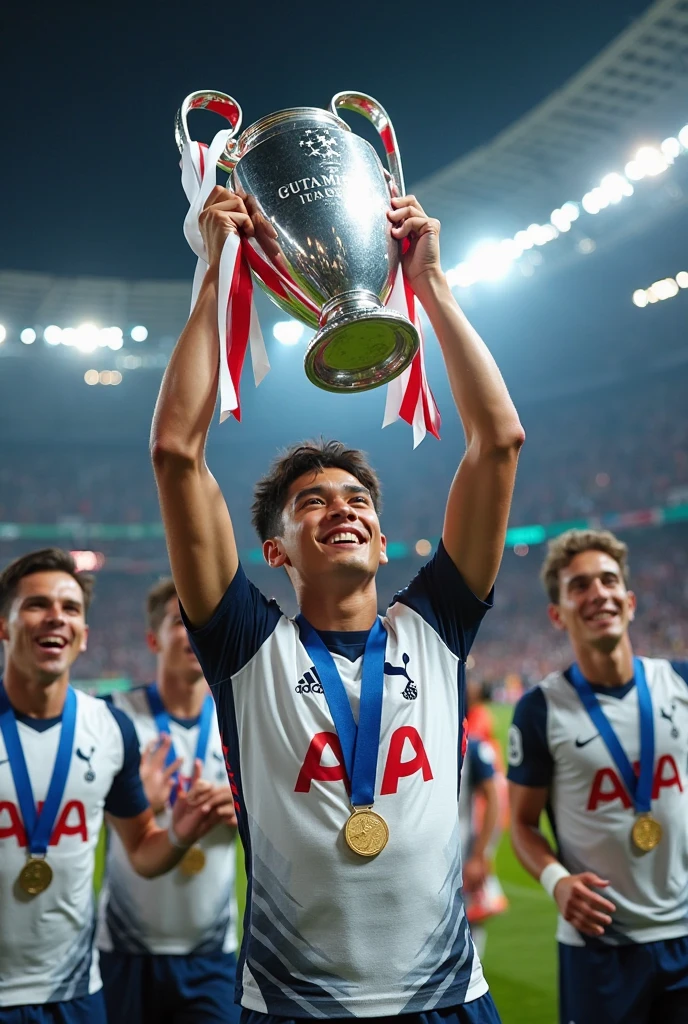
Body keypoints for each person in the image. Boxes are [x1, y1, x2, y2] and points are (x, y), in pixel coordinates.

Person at [151, 184, 524, 1022]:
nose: (343, 508)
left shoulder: (434, 625)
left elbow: (497, 442)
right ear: (275, 551)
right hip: (296, 1006)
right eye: (313, 503)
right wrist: (214, 272)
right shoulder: (246, 646)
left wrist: (433, 287)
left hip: (449, 999)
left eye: (359, 499)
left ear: (386, 541)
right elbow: (177, 452)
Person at [0, 548, 232, 1024]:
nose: (56, 618)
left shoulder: (108, 728)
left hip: (79, 989)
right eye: (37, 604)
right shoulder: (124, 717)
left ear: (85, 634)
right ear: (4, 625)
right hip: (118, 952)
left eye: (70, 608)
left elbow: (144, 849)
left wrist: (184, 829)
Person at [507, 529, 688, 1024]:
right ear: (557, 613)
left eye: (608, 581)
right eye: (579, 586)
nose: (598, 593)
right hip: (599, 945)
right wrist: (556, 882)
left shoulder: (679, 683)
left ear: (629, 601)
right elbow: (520, 824)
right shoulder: (540, 709)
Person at [97, 577, 240, 1024]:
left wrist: (247, 810)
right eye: (180, 622)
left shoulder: (240, 720)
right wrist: (129, 798)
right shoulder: (111, 716)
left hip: (211, 952)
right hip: (123, 949)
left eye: (200, 623)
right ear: (152, 638)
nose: (192, 632)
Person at [458, 738, 506, 958]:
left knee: (471, 936)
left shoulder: (473, 747)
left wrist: (479, 856)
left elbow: (494, 800)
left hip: (463, 857)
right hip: (429, 859)